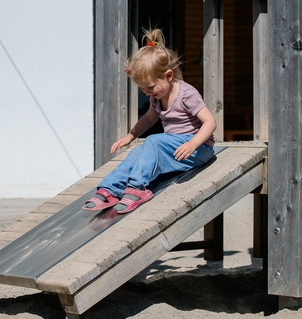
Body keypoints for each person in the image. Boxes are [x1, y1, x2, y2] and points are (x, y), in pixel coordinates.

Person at [83, 28, 217, 214]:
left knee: (153, 141)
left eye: (150, 87)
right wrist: (131, 135)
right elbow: (149, 118)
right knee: (137, 153)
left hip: (198, 150)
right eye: (142, 89)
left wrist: (193, 144)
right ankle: (110, 189)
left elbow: (210, 122)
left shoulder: (186, 94)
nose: (147, 93)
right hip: (173, 149)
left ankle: (137, 189)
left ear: (168, 76)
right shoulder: (157, 97)